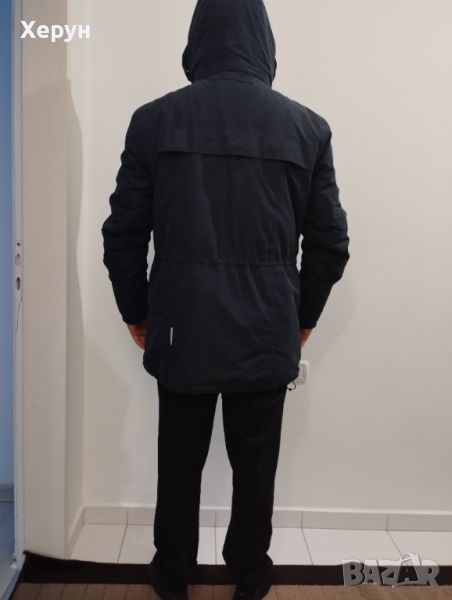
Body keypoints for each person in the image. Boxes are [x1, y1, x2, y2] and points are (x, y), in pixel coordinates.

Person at [101, 0, 350, 598]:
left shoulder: (154, 121)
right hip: (267, 328)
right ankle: (250, 572)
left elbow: (123, 232)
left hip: (181, 327)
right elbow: (330, 242)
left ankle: (172, 576)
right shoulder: (307, 128)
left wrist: (136, 311)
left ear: (197, 41)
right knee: (256, 467)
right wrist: (302, 319)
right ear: (265, 43)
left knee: (178, 463)